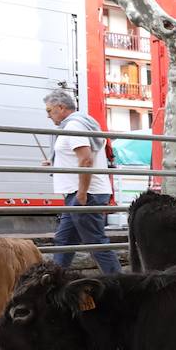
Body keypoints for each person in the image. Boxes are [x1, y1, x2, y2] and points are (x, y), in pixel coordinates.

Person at [43, 88, 120, 273]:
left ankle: (120, 285)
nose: (48, 116)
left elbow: (86, 159)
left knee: (96, 242)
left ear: (60, 107)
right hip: (81, 193)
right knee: (64, 241)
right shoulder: (81, 123)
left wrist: (82, 193)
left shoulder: (74, 126)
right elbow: (79, 155)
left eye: (49, 110)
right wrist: (54, 161)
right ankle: (53, 282)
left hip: (85, 194)